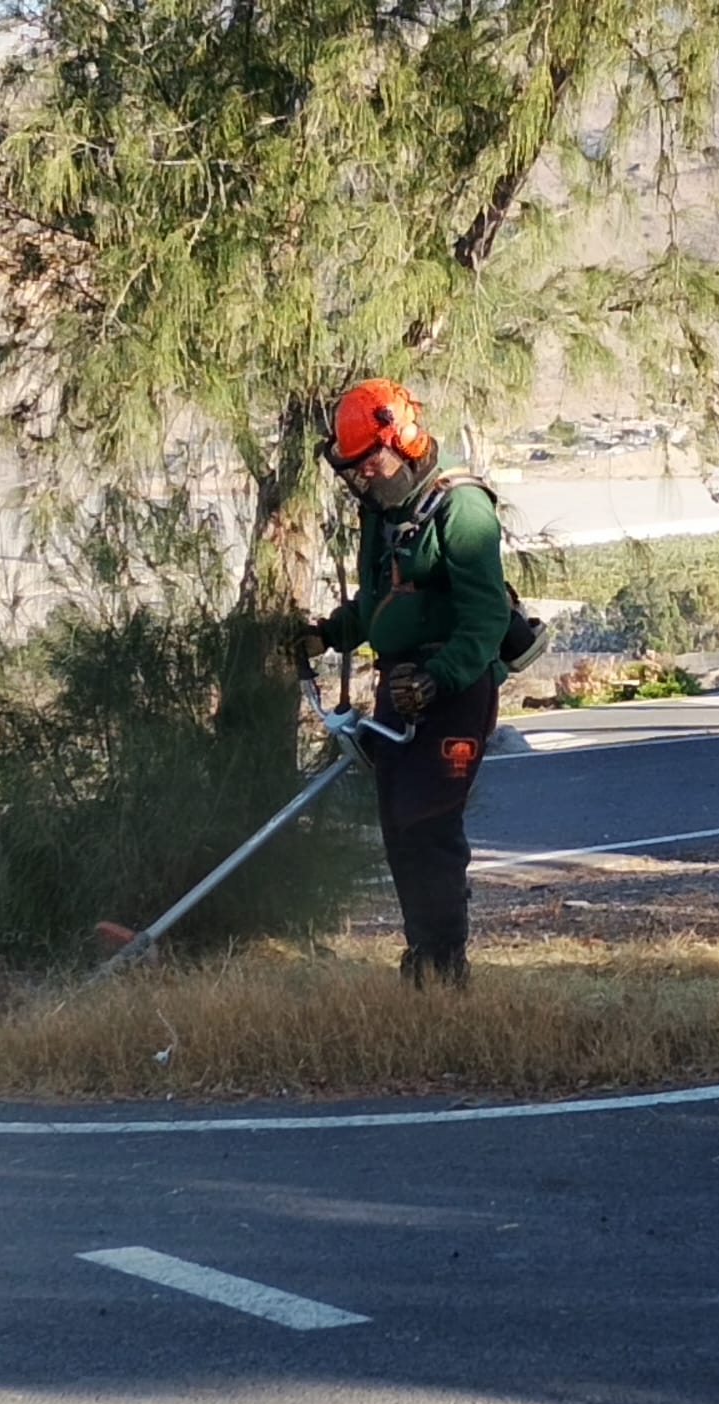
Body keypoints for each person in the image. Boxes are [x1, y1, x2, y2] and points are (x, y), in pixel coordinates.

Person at [304, 378, 509, 987]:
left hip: (454, 692)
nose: (362, 477)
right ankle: (422, 959)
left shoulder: (462, 508)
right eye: (353, 468)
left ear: (403, 441)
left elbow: (487, 620)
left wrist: (436, 680)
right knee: (399, 827)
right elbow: (380, 605)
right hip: (399, 688)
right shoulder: (383, 512)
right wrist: (326, 635)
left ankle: (445, 968)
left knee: (430, 824)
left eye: (369, 463)